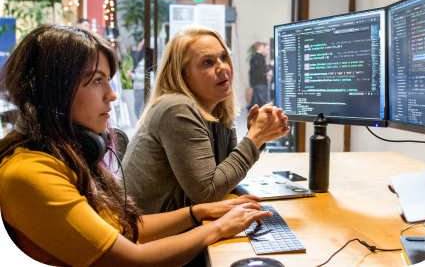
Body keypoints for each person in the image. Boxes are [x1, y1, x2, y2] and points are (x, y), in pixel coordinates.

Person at [0, 25, 272, 267]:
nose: (112, 94)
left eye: (108, 79)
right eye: (97, 80)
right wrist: (219, 227)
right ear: (54, 91)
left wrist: (199, 212)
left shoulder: (64, 157)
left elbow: (125, 227)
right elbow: (133, 260)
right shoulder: (30, 174)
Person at [122, 25, 290, 215]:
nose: (222, 67)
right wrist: (255, 138)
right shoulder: (177, 109)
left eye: (223, 57)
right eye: (208, 62)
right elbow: (209, 193)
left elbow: (226, 179)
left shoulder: (215, 107)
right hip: (148, 237)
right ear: (182, 74)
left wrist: (256, 135)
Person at [249, 41, 270, 109]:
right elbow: (263, 70)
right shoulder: (260, 57)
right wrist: (270, 66)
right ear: (261, 47)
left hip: (255, 84)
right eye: (266, 48)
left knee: (255, 103)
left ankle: (252, 118)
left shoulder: (253, 58)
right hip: (261, 83)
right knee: (264, 103)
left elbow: (251, 72)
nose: (267, 50)